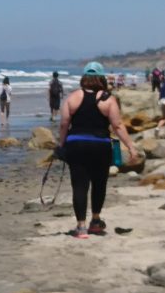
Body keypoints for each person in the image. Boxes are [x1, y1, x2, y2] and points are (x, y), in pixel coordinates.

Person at [54, 61, 129, 237]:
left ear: (84, 78)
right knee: (99, 184)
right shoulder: (108, 99)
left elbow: (64, 124)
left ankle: (81, 227)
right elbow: (117, 125)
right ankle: (95, 221)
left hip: (77, 145)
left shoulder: (72, 98)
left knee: (79, 186)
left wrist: (61, 145)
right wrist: (131, 147)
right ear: (101, 78)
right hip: (101, 146)